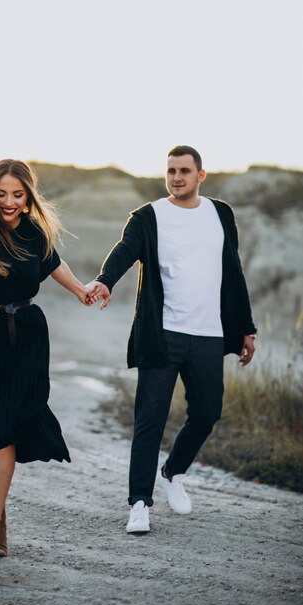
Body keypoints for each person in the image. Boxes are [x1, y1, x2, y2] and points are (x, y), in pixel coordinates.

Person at [87, 146, 256, 533]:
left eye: (184, 171)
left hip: (210, 334)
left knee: (207, 413)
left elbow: (234, 271)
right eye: (171, 171)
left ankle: (173, 471)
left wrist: (246, 328)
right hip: (163, 334)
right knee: (150, 420)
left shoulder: (221, 215)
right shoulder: (149, 217)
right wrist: (105, 280)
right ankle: (139, 505)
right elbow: (125, 251)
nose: (176, 177)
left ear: (201, 175)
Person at [0, 159, 92, 572]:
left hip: (28, 336)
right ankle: (0, 511)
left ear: (28, 195)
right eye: (1, 193)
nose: (9, 202)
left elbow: (53, 265)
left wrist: (82, 290)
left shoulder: (34, 232)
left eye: (18, 194)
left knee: (7, 430)